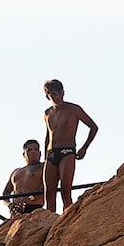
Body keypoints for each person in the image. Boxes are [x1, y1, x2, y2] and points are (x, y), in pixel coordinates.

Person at [42, 79, 99, 212]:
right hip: (51, 153)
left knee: (65, 190)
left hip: (67, 151)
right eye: (51, 95)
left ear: (62, 93)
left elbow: (93, 127)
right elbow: (48, 134)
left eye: (56, 94)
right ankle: (50, 223)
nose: (55, 98)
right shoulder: (47, 113)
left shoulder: (74, 109)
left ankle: (67, 220)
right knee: (49, 193)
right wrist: (45, 156)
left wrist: (85, 147)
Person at [2, 139, 45, 215]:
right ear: (24, 154)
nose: (33, 152)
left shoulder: (44, 167)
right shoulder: (16, 172)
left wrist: (30, 198)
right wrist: (10, 205)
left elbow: (46, 186)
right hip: (16, 211)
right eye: (29, 150)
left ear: (40, 153)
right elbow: (5, 194)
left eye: (36, 149)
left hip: (34, 208)